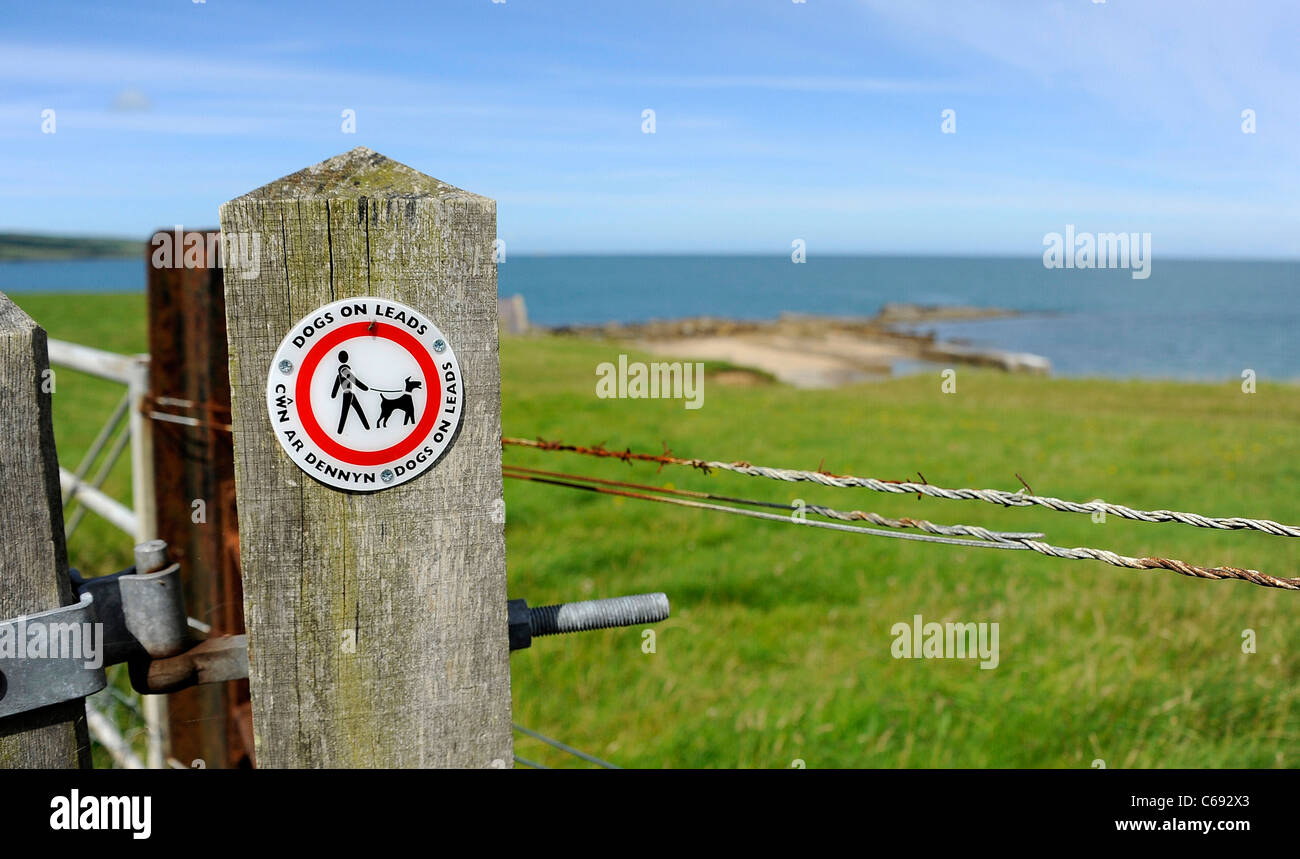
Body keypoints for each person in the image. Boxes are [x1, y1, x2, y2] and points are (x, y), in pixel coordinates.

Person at [331, 350, 370, 433]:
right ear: (346, 358)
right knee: (345, 413)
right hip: (348, 394)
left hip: (349, 394)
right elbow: (354, 380)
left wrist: (333, 394)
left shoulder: (340, 373)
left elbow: (337, 383)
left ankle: (367, 427)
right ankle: (340, 431)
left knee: (358, 411)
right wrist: (364, 388)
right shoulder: (345, 370)